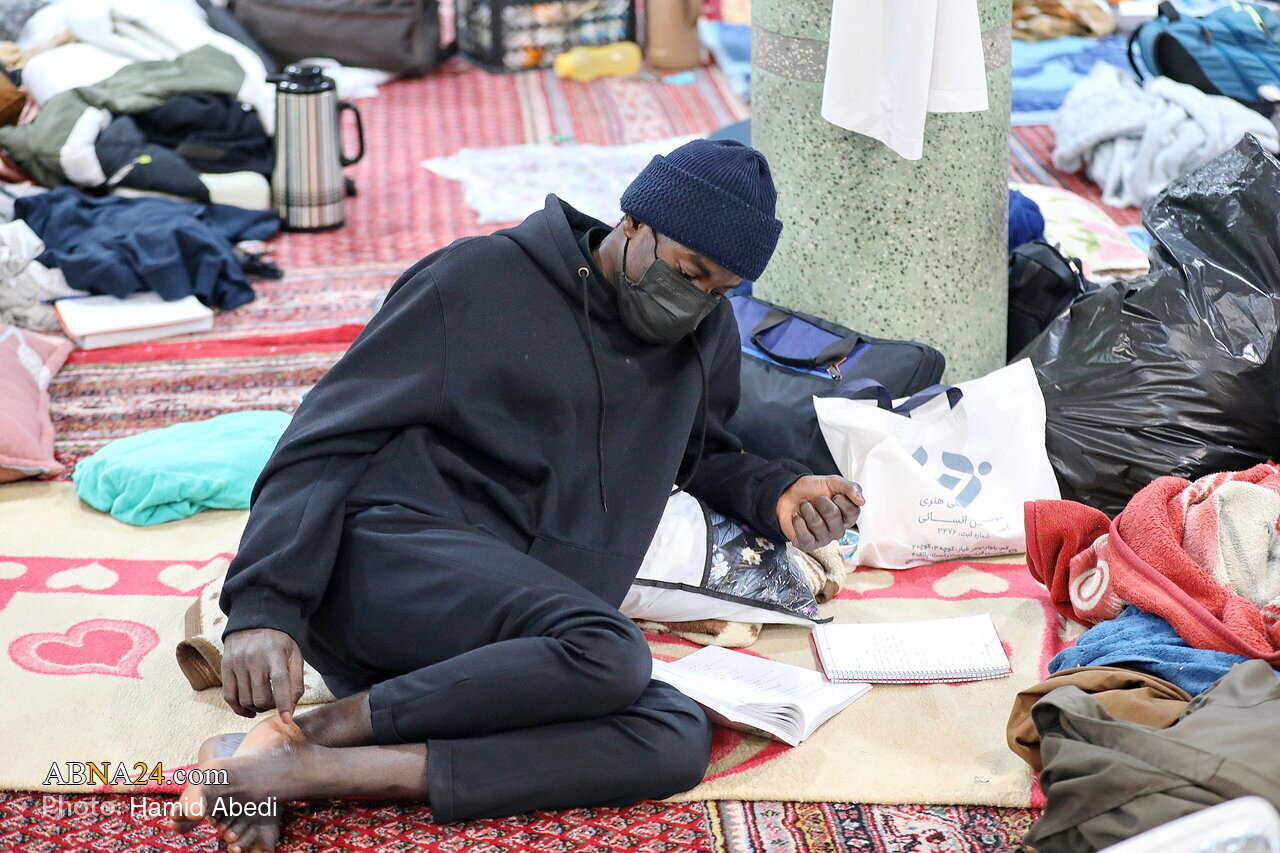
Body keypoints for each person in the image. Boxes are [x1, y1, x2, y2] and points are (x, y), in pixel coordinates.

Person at [173, 138, 864, 853]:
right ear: (633, 222)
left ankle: (305, 763)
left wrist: (778, 491)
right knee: (611, 650)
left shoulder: (702, 334)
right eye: (689, 273)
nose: (697, 301)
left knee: (674, 733)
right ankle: (314, 733)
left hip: (511, 636)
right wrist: (265, 605)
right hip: (390, 567)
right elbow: (325, 436)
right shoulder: (477, 279)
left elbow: (705, 454)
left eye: (720, 291)